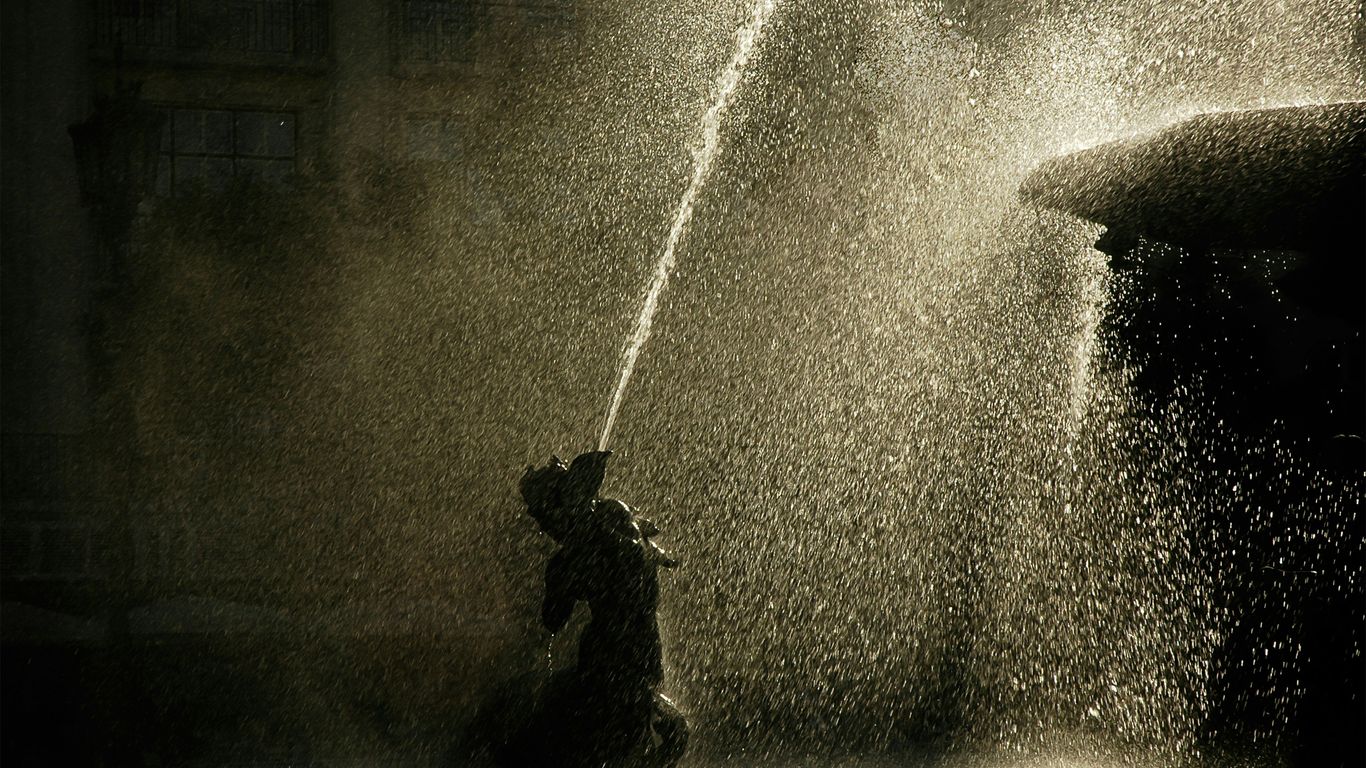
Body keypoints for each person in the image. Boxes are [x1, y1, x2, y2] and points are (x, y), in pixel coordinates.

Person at [517, 451, 689, 767]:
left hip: (619, 650)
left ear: (561, 506)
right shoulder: (580, 548)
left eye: (543, 515)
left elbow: (554, 619)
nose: (543, 526)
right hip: (621, 648)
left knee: (601, 730)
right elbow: (553, 618)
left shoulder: (604, 525)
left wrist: (569, 568)